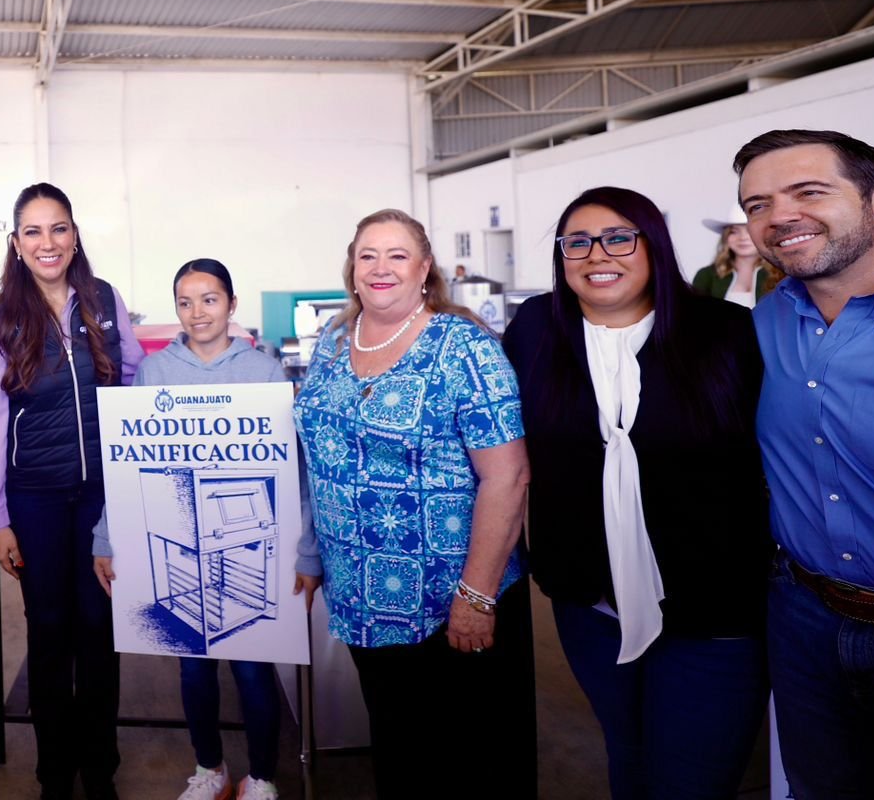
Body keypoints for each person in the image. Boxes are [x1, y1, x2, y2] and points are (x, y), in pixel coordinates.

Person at [503, 187, 772, 799]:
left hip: (712, 612)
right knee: (628, 756)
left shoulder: (726, 333)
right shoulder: (537, 330)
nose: (598, 253)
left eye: (619, 236)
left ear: (653, 245)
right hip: (590, 604)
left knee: (692, 780)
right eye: (578, 241)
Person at [293, 209, 534, 799]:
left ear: (425, 268)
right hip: (362, 597)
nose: (380, 267)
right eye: (367, 254)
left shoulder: (464, 348)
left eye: (397, 255)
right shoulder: (330, 344)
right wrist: (315, 553)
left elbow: (509, 477)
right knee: (400, 751)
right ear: (351, 268)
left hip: (448, 600)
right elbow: (322, 459)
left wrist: (475, 598)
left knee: (464, 762)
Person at [734, 129, 874, 799]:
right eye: (757, 204)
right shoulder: (765, 322)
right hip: (805, 617)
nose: (778, 216)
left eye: (809, 192)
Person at [90, 259, 319, 800]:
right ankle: (210, 769)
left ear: (232, 305)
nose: (198, 313)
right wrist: (106, 535)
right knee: (193, 675)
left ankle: (260, 777)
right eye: (186, 302)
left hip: (245, 533)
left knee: (252, 671)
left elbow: (296, 471)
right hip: (182, 541)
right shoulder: (154, 373)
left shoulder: (264, 372)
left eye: (210, 299)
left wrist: (308, 551)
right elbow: (125, 463)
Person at [0, 182, 143, 800]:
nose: (48, 242)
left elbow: (131, 387)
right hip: (36, 500)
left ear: (74, 236)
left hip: (101, 496)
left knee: (99, 633)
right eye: (34, 232)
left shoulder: (104, 300)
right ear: (17, 244)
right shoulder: (1, 316)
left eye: (59, 228)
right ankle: (55, 775)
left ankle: (100, 770)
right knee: (49, 633)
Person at [691, 206, 780, 307]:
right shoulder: (706, 275)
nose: (742, 237)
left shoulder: (781, 274)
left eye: (749, 230)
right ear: (726, 238)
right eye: (734, 231)